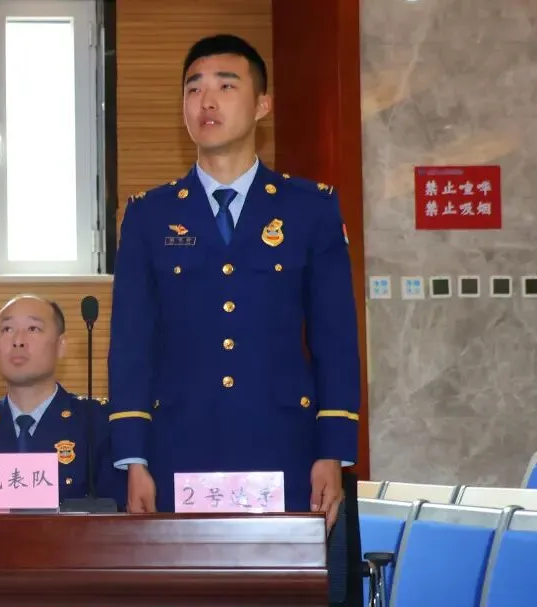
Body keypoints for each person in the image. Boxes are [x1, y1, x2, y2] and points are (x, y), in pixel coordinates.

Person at [107, 33, 360, 524]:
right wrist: (134, 459)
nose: (206, 100)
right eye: (193, 88)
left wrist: (332, 450)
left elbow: (335, 339)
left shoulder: (311, 209)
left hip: (285, 450)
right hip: (177, 451)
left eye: (225, 86)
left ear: (262, 104)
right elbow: (131, 346)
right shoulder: (149, 215)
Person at [0, 295, 125, 508]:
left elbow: (119, 515)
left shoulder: (99, 422)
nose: (18, 341)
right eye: (7, 329)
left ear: (61, 346)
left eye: (33, 329)